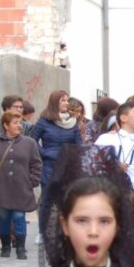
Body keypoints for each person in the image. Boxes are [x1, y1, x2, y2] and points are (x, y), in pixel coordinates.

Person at [0, 109, 42, 261]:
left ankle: (21, 247)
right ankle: (5, 246)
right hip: (2, 186)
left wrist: (32, 181)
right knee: (4, 217)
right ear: (5, 125)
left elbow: (36, 164)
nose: (19, 126)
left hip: (21, 187)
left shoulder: (29, 143)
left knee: (19, 216)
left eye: (21, 123)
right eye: (15, 123)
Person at [33, 90, 83, 239]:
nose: (66, 103)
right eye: (63, 100)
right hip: (49, 165)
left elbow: (78, 142)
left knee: (67, 199)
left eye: (67, 100)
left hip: (68, 166)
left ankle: (64, 231)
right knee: (48, 199)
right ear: (55, 102)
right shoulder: (44, 120)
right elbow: (32, 140)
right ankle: (43, 231)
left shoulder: (72, 122)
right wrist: (45, 153)